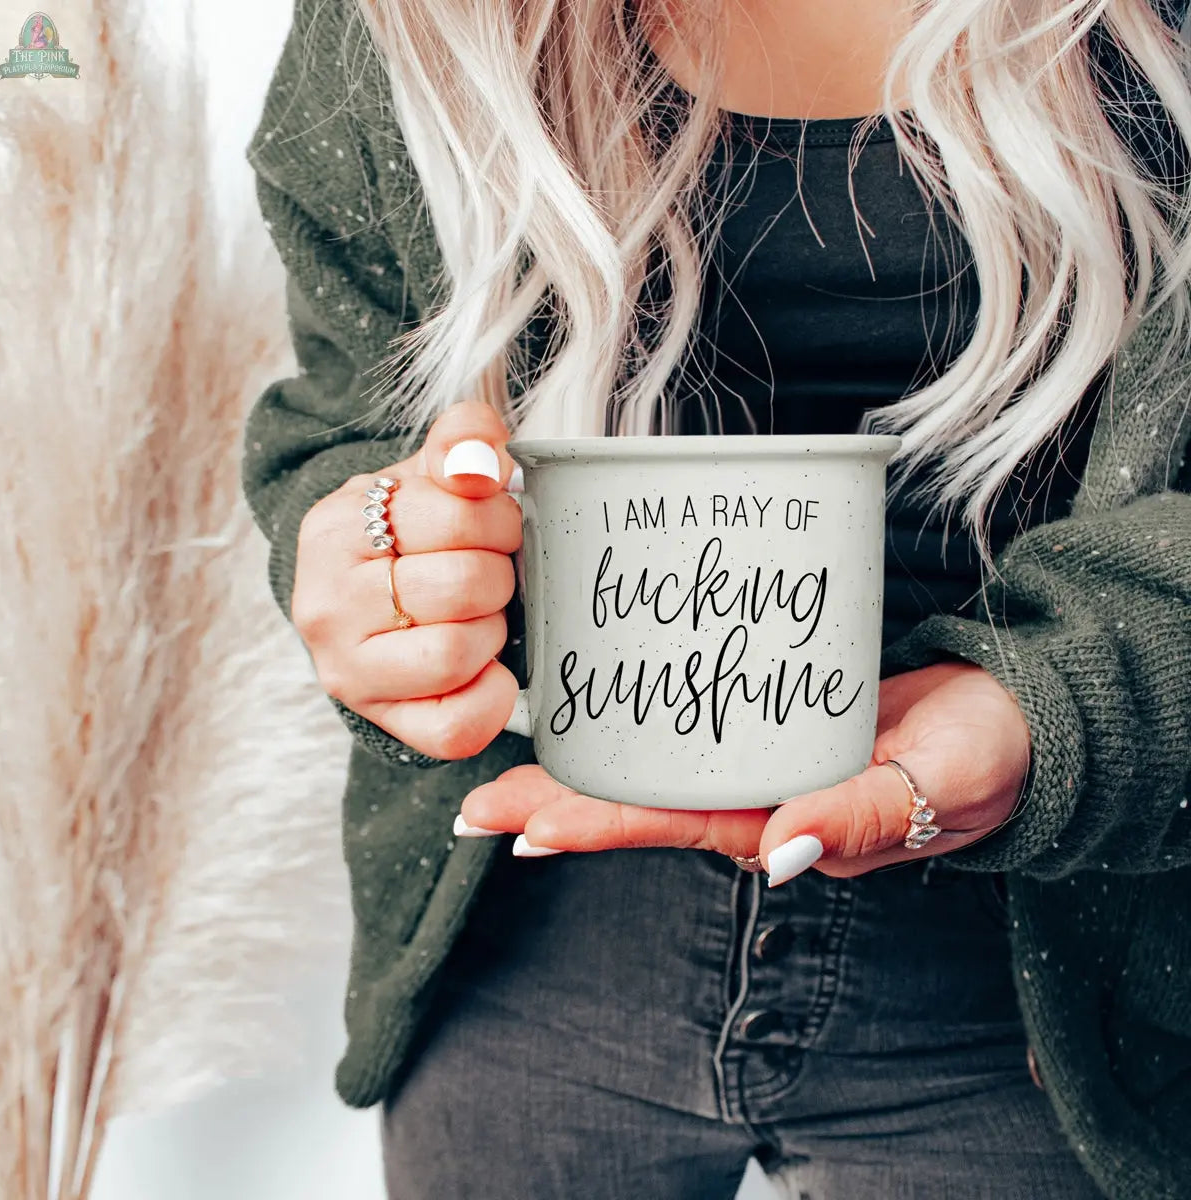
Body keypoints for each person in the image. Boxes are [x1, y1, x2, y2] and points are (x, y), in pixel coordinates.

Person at [242, 0, 1191, 1196]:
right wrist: (374, 554)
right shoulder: (410, 20)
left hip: (1069, 981)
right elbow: (349, 417)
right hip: (527, 928)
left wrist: (1063, 709)